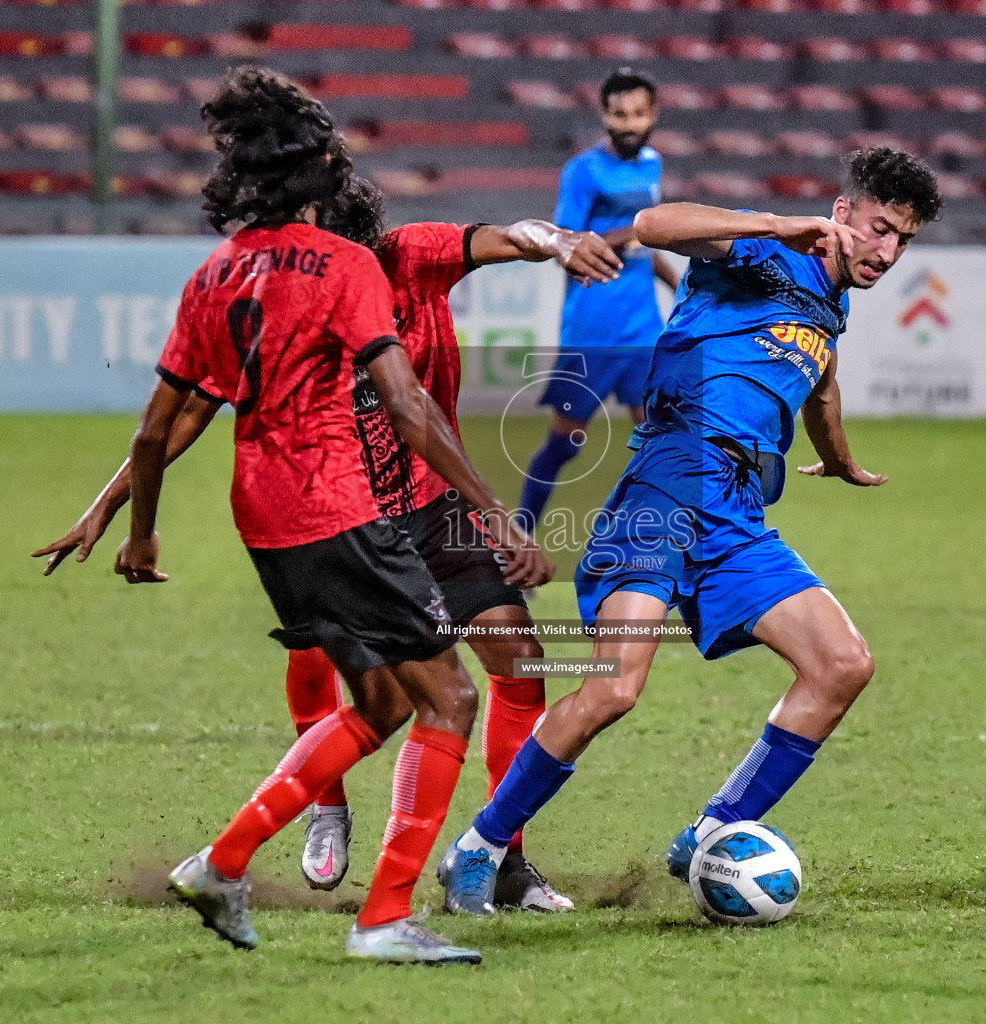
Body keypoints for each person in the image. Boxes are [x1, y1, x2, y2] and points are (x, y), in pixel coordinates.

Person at [35, 175, 622, 914]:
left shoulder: (412, 256)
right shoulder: (295, 297)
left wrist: (562, 240)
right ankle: (330, 815)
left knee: (516, 665)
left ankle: (502, 857)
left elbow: (512, 234)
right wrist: (110, 503)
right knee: (361, 687)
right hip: (341, 518)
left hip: (435, 505)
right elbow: (181, 416)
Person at [104, 66, 550, 964]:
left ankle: (222, 864)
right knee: (452, 698)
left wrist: (138, 527)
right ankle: (385, 919)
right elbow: (411, 408)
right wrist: (494, 515)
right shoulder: (349, 267)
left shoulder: (215, 277)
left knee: (384, 700)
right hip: (341, 510)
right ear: (322, 176)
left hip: (263, 523)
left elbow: (157, 432)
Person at [437, 147, 944, 915]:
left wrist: (839, 461)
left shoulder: (829, 308)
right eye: (878, 228)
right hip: (667, 488)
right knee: (614, 688)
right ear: (841, 212)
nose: (887, 252)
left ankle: (714, 830)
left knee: (841, 663)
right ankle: (479, 849)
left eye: (902, 241)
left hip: (738, 517)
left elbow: (822, 384)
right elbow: (652, 224)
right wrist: (777, 222)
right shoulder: (764, 247)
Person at [516, 67, 682, 527]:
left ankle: (662, 553)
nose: (629, 123)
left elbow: (645, 249)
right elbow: (561, 247)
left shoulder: (652, 163)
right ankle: (517, 543)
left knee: (660, 444)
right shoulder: (583, 171)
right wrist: (635, 230)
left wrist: (677, 284)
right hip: (592, 330)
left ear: (654, 114)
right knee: (565, 443)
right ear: (604, 116)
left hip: (644, 330)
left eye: (638, 113)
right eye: (620, 114)